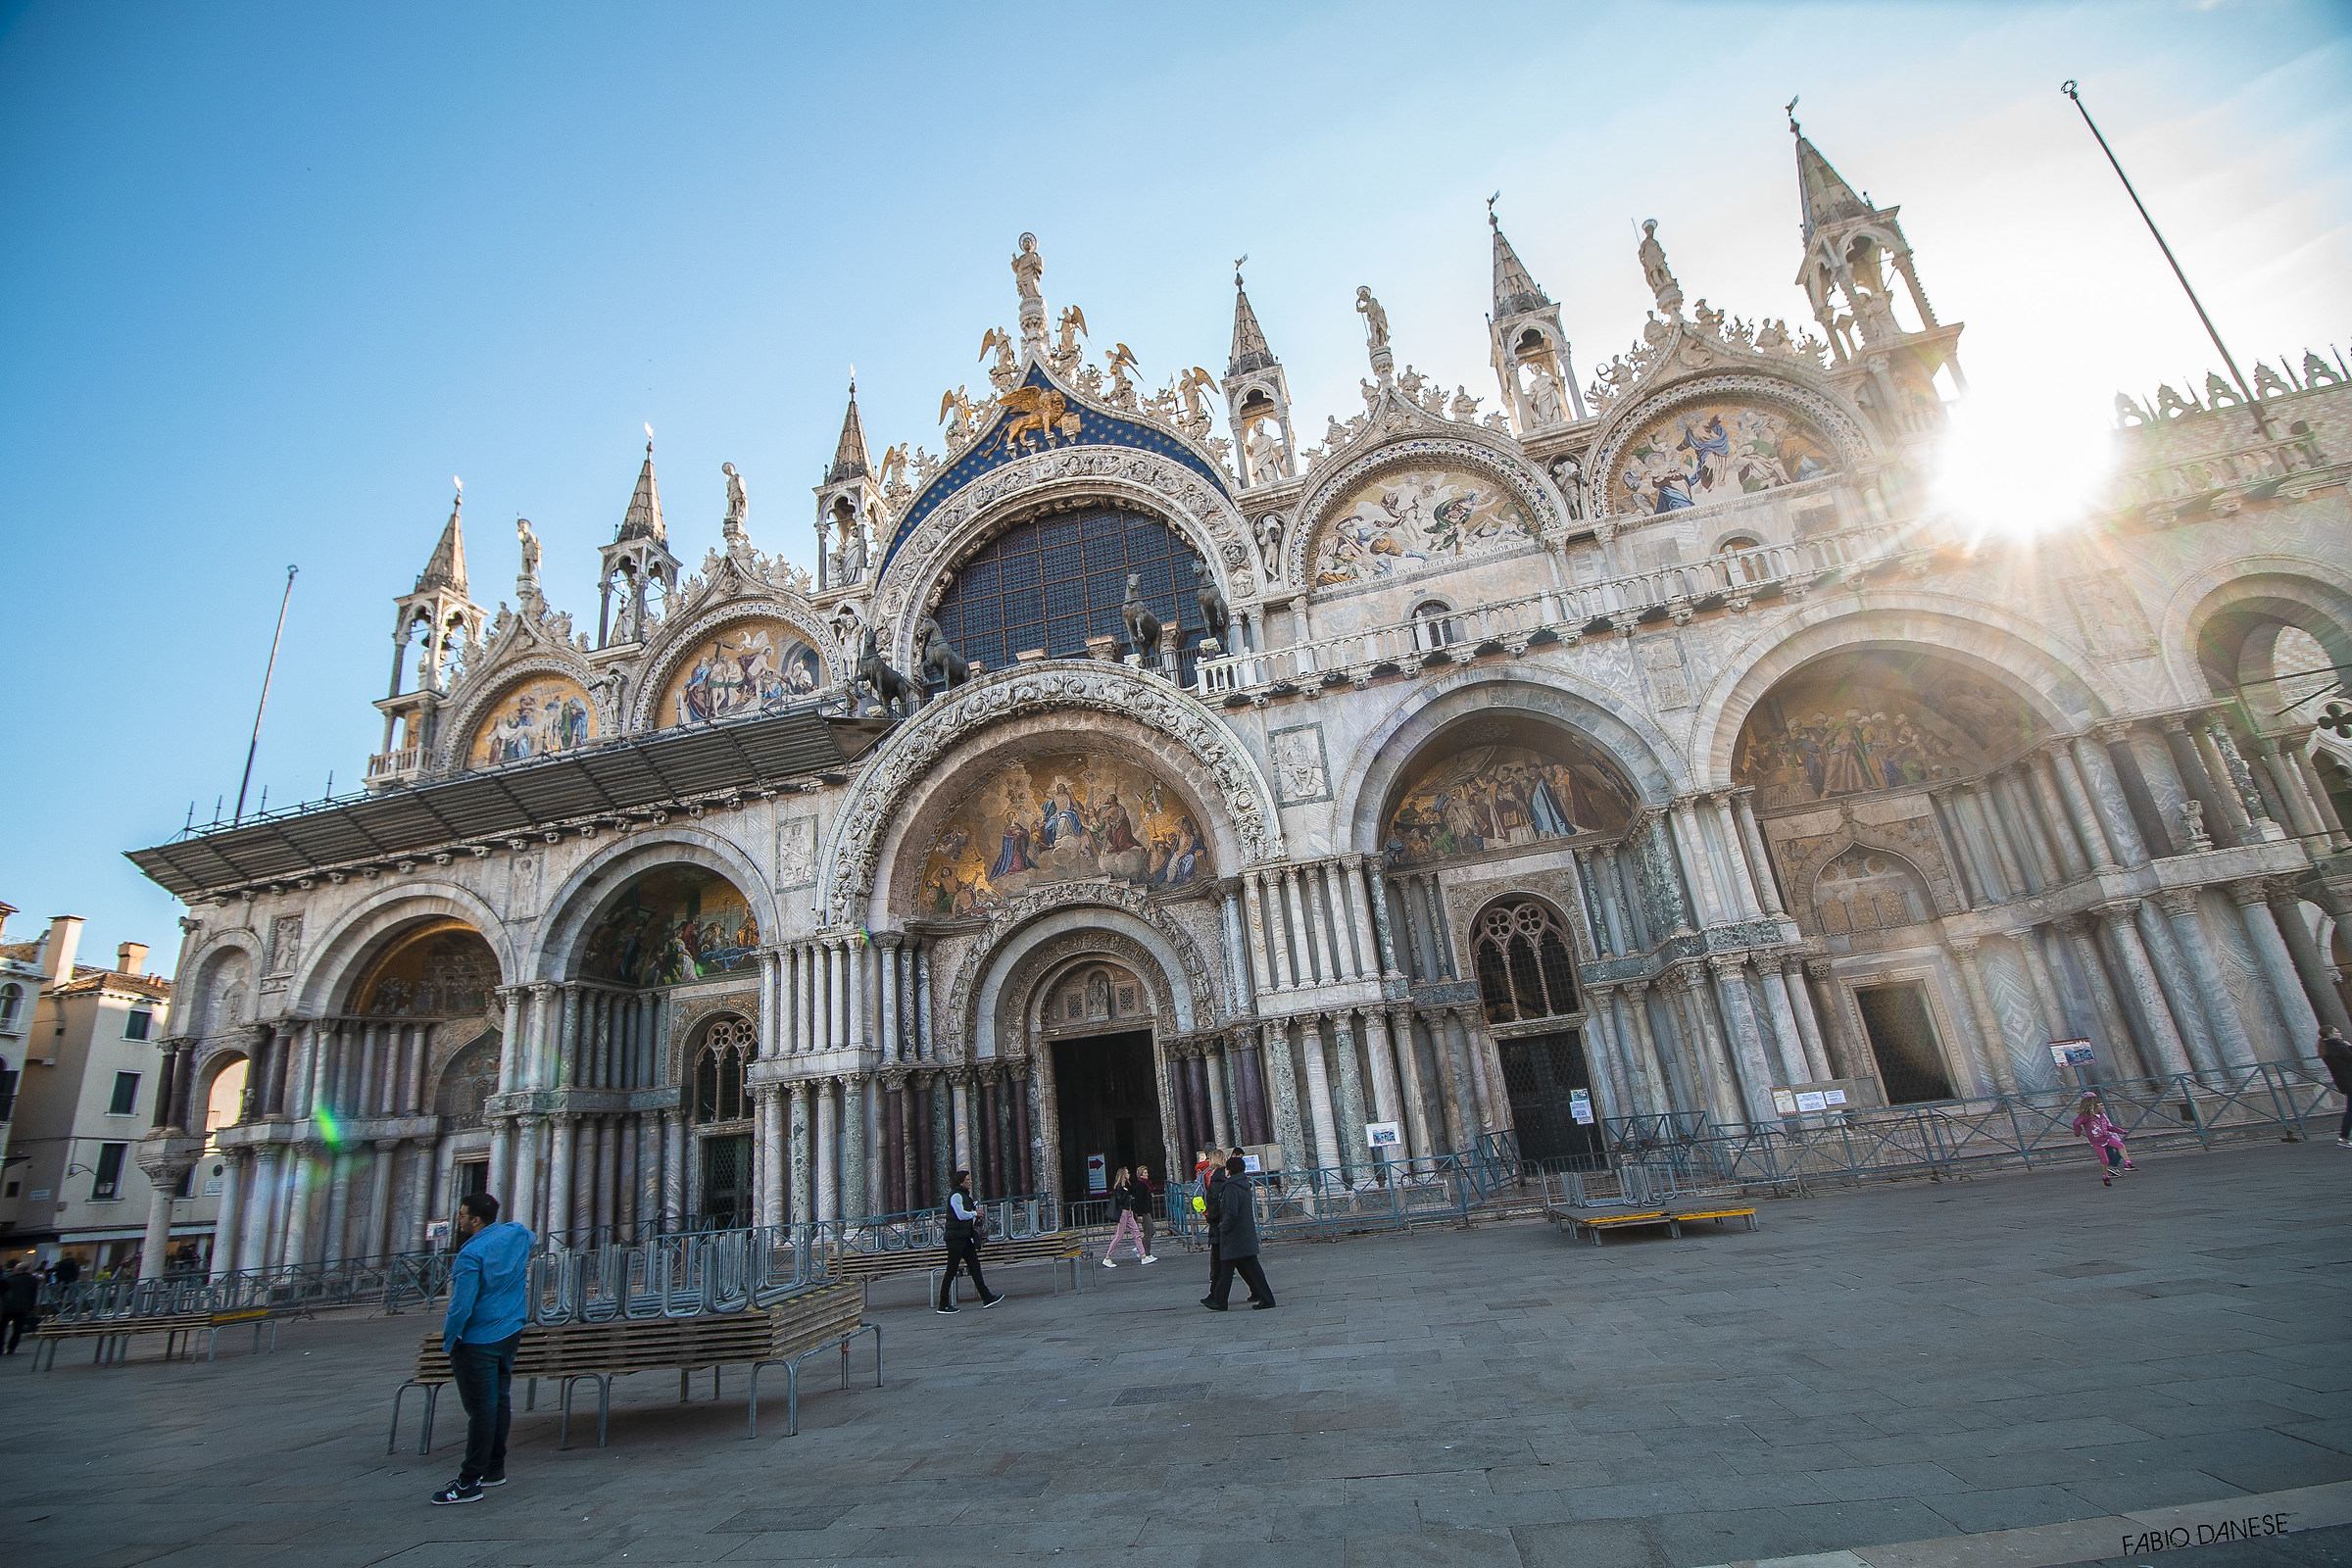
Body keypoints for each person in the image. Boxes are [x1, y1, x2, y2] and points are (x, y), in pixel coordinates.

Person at [431, 1192, 532, 1505]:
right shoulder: (516, 1234)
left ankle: (468, 1481)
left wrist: (450, 1339)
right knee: (499, 1402)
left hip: (478, 1340)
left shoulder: (470, 1255)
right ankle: (493, 1468)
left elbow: (461, 1305)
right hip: (510, 1331)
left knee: (481, 1410)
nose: (458, 1220)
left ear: (476, 1220)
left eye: (462, 1215)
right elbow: (532, 1237)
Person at [1204, 1156, 1277, 1311]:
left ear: (1228, 1170)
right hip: (1244, 1234)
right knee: (1247, 1269)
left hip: (1234, 1235)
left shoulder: (1231, 1187)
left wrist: (1223, 1227)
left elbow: (1231, 1212)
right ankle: (1265, 1298)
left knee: (1227, 1269)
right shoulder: (1243, 1184)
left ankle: (1220, 1301)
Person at [937, 1171, 1004, 1313]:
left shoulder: (965, 1195)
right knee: (951, 1270)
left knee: (974, 1266)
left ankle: (987, 1297)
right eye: (967, 1179)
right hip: (955, 1238)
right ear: (961, 1182)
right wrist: (974, 1213)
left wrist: (974, 1210)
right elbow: (961, 1215)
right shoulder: (955, 1195)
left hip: (964, 1236)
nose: (970, 1182)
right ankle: (943, 1304)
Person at [2071, 1091, 2133, 1188]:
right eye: (2100, 1104)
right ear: (2092, 1105)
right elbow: (2076, 1123)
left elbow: (2107, 1126)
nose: (2103, 1106)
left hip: (2107, 1136)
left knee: (2120, 1146)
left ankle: (2127, 1163)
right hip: (2097, 1141)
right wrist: (2077, 1132)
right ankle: (2106, 1175)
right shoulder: (2086, 1117)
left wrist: (2119, 1131)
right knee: (2105, 1159)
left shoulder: (2101, 1115)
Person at [1102, 1166, 1150, 1268]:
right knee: (1118, 1236)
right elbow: (1120, 1200)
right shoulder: (1119, 1187)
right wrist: (1125, 1191)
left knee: (1136, 1233)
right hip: (1123, 1213)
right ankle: (1107, 1257)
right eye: (1127, 1173)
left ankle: (1143, 1256)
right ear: (1123, 1174)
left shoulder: (1127, 1185)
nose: (1129, 1174)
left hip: (1128, 1212)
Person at [2320, 1026, 2352, 1148]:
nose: (2340, 1033)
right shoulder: (2338, 1046)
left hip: (2344, 1081)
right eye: (2337, 1031)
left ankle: (2344, 1136)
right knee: (2351, 1111)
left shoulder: (2327, 1048)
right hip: (2349, 1080)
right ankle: (2344, 1137)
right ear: (2330, 1034)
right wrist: (2349, 1046)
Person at [3, 1258, 38, 1354]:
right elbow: (33, 1294)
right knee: (17, 1329)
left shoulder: (9, 1280)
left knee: (2, 1328)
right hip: (23, 1308)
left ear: (17, 1270)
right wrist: (31, 1307)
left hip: (7, 1308)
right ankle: (11, 1348)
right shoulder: (32, 1280)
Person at [1128, 1165, 1158, 1265]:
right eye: (1144, 1173)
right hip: (1144, 1212)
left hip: (1146, 1211)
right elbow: (1139, 1200)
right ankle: (1146, 1253)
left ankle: (1139, 1248)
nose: (1147, 1174)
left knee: (1152, 1230)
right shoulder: (1141, 1185)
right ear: (1140, 1174)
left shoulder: (1145, 1184)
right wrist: (1139, 1214)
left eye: (1147, 1173)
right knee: (1149, 1232)